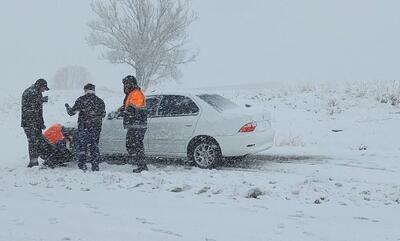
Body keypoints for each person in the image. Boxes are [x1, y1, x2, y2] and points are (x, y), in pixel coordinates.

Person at [65, 84, 106, 171]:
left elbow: (72, 113)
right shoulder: (100, 101)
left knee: (82, 147)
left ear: (85, 90)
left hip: (84, 128)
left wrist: (68, 108)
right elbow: (103, 114)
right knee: (94, 147)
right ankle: (95, 166)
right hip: (96, 128)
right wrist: (94, 117)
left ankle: (82, 165)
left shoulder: (81, 100)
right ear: (94, 90)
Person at [119, 75, 148, 173]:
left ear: (131, 84)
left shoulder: (136, 93)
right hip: (134, 124)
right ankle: (140, 163)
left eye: (127, 84)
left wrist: (123, 112)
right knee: (132, 145)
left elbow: (132, 109)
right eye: (124, 84)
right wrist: (121, 110)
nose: (125, 86)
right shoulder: (131, 94)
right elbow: (128, 107)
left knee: (135, 145)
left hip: (137, 124)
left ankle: (142, 165)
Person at [21, 78, 50, 168]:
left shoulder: (35, 91)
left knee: (37, 141)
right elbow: (33, 109)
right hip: (31, 123)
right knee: (34, 142)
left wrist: (41, 122)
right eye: (44, 89)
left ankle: (42, 158)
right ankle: (33, 162)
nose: (44, 91)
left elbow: (37, 109)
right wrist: (41, 100)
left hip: (33, 122)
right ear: (40, 85)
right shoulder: (32, 92)